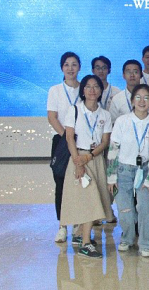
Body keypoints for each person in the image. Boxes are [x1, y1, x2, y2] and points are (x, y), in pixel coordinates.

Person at [107, 84, 149, 257]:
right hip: (123, 171)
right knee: (125, 209)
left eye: (146, 98)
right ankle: (127, 238)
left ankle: (145, 243)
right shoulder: (122, 121)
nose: (142, 101)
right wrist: (111, 177)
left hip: (145, 170)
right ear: (132, 101)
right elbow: (114, 148)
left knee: (145, 207)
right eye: (138, 97)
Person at [61, 74, 113, 258]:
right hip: (78, 158)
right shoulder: (74, 110)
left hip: (95, 159)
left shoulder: (105, 114)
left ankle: (79, 235)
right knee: (88, 200)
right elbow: (69, 137)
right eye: (88, 86)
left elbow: (105, 142)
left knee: (95, 198)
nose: (92, 90)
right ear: (82, 90)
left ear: (101, 90)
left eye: (96, 86)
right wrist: (78, 162)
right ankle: (85, 243)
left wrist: (89, 156)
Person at [47, 52, 81, 243]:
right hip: (61, 141)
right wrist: (67, 138)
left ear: (79, 67)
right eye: (67, 65)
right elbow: (52, 117)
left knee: (79, 182)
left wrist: (76, 140)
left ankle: (77, 224)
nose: (70, 68)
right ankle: (62, 225)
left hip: (81, 142)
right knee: (60, 183)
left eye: (74, 64)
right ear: (62, 68)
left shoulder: (85, 88)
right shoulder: (55, 90)